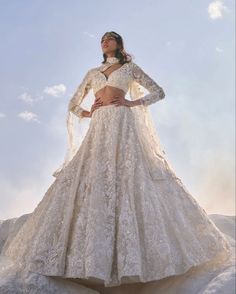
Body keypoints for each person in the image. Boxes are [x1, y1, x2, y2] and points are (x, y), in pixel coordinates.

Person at [2, 31, 232, 289]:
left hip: (124, 124)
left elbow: (159, 91)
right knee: (94, 176)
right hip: (100, 127)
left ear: (119, 44)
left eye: (110, 38)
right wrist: (88, 112)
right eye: (102, 39)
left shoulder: (130, 68)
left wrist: (132, 102)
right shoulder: (92, 73)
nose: (105, 42)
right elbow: (72, 103)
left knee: (131, 173)